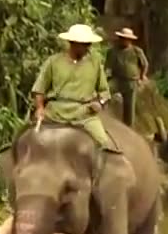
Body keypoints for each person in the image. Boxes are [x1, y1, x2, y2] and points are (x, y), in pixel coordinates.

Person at [31, 23, 120, 153]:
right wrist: (39, 108)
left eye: (89, 44)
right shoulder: (53, 62)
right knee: (28, 141)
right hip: (55, 112)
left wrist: (99, 102)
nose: (88, 47)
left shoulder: (94, 63)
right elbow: (39, 89)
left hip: (84, 114)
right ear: (72, 43)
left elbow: (104, 91)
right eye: (84, 44)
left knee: (104, 144)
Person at [105, 26, 149, 127]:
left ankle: (129, 127)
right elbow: (107, 67)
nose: (124, 41)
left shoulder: (136, 51)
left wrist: (142, 77)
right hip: (117, 79)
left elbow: (145, 64)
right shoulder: (113, 51)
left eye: (127, 39)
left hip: (131, 81)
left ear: (130, 40)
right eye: (122, 38)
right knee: (105, 92)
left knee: (129, 108)